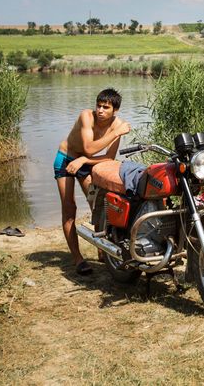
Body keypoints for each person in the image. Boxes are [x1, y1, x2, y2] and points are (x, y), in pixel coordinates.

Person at [54, 88, 131, 275]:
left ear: (115, 110)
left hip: (86, 162)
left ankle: (102, 250)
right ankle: (78, 259)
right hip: (66, 159)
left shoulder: (117, 124)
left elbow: (109, 157)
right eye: (99, 105)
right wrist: (116, 133)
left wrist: (83, 161)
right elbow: (88, 148)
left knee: (99, 206)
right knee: (69, 209)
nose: (100, 110)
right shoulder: (86, 116)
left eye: (106, 107)